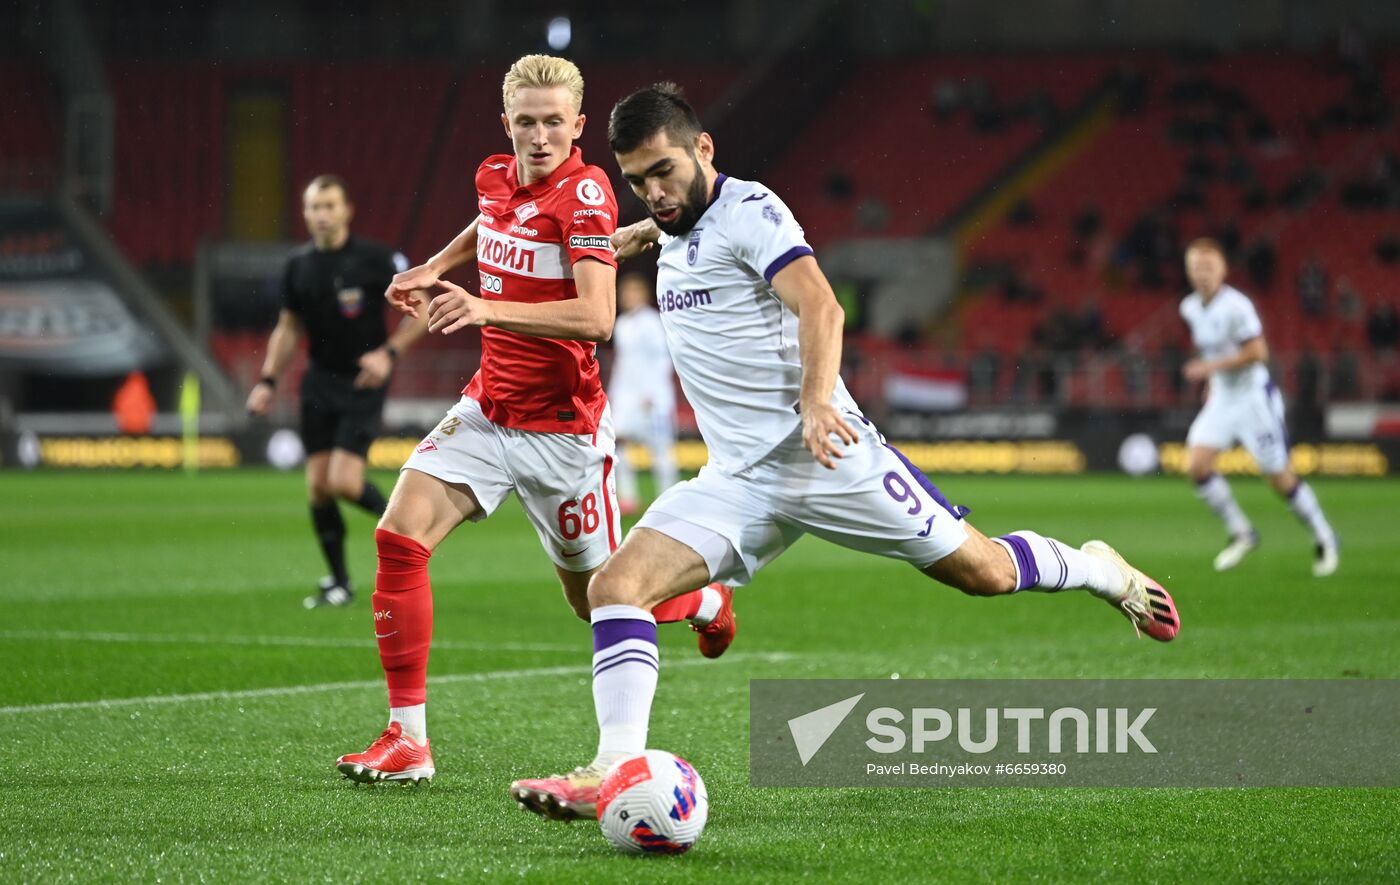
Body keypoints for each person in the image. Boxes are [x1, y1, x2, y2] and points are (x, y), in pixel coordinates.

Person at [509, 83, 1181, 821]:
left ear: (703, 147)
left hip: (827, 456)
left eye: (663, 171)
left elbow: (821, 304)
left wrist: (819, 400)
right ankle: (611, 767)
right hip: (735, 480)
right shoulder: (671, 225)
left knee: (984, 573)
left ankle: (1097, 567)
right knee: (614, 587)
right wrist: (638, 228)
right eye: (638, 181)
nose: (655, 192)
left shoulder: (752, 211)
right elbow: (665, 228)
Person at [333, 57, 734, 788]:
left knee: (598, 600)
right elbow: (490, 223)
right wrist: (434, 265)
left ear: (578, 126)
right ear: (506, 123)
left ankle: (704, 598)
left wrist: (484, 307)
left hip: (562, 435)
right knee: (398, 536)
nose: (540, 136)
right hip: (488, 410)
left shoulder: (584, 195)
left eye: (554, 122)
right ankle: (408, 739)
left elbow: (597, 316)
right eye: (526, 121)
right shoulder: (494, 175)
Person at [246, 175, 428, 609]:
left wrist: (388, 353)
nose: (322, 215)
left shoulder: (376, 258)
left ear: (347, 210)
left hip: (363, 383)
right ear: (305, 213)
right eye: (314, 207)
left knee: (343, 482)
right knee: (318, 489)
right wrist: (269, 379)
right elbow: (288, 327)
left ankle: (405, 529)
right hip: (319, 384)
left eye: (329, 205)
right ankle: (340, 582)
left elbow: (420, 309)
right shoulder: (298, 266)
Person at [1178, 238, 1339, 575]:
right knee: (1196, 464)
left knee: (1279, 479)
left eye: (1208, 267)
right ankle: (1242, 532)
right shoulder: (1190, 307)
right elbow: (1215, 351)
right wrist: (1212, 382)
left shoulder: (1237, 306)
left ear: (1222, 269)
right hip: (1223, 398)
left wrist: (1209, 370)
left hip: (1253, 399)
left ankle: (1324, 536)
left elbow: (1258, 353)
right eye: (1195, 267)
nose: (1202, 274)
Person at [608, 271, 679, 514]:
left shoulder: (652, 322)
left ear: (643, 294)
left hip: (653, 397)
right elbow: (622, 363)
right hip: (626, 397)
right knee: (618, 445)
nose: (628, 296)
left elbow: (662, 359)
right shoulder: (621, 324)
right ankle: (627, 497)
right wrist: (613, 395)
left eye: (633, 291)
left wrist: (653, 392)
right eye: (625, 292)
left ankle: (668, 498)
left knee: (660, 449)